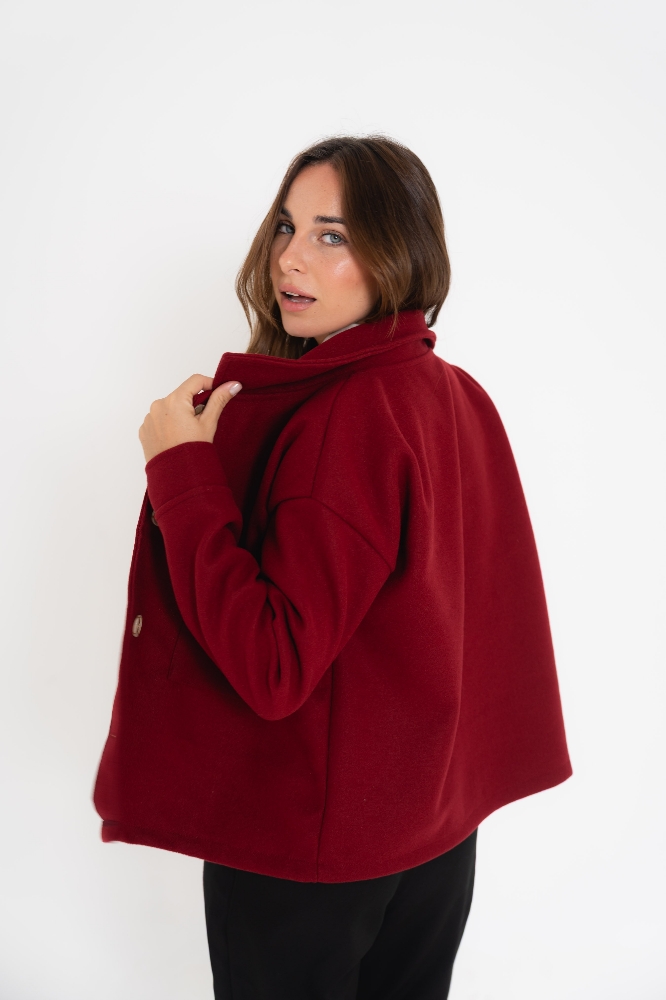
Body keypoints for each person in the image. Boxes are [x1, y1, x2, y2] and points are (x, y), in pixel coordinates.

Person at [94, 136, 572, 999]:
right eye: (287, 226)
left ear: (399, 253)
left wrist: (180, 471)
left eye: (332, 235)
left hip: (311, 854)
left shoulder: (341, 419)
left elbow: (273, 664)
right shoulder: (452, 394)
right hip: (430, 834)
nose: (289, 258)